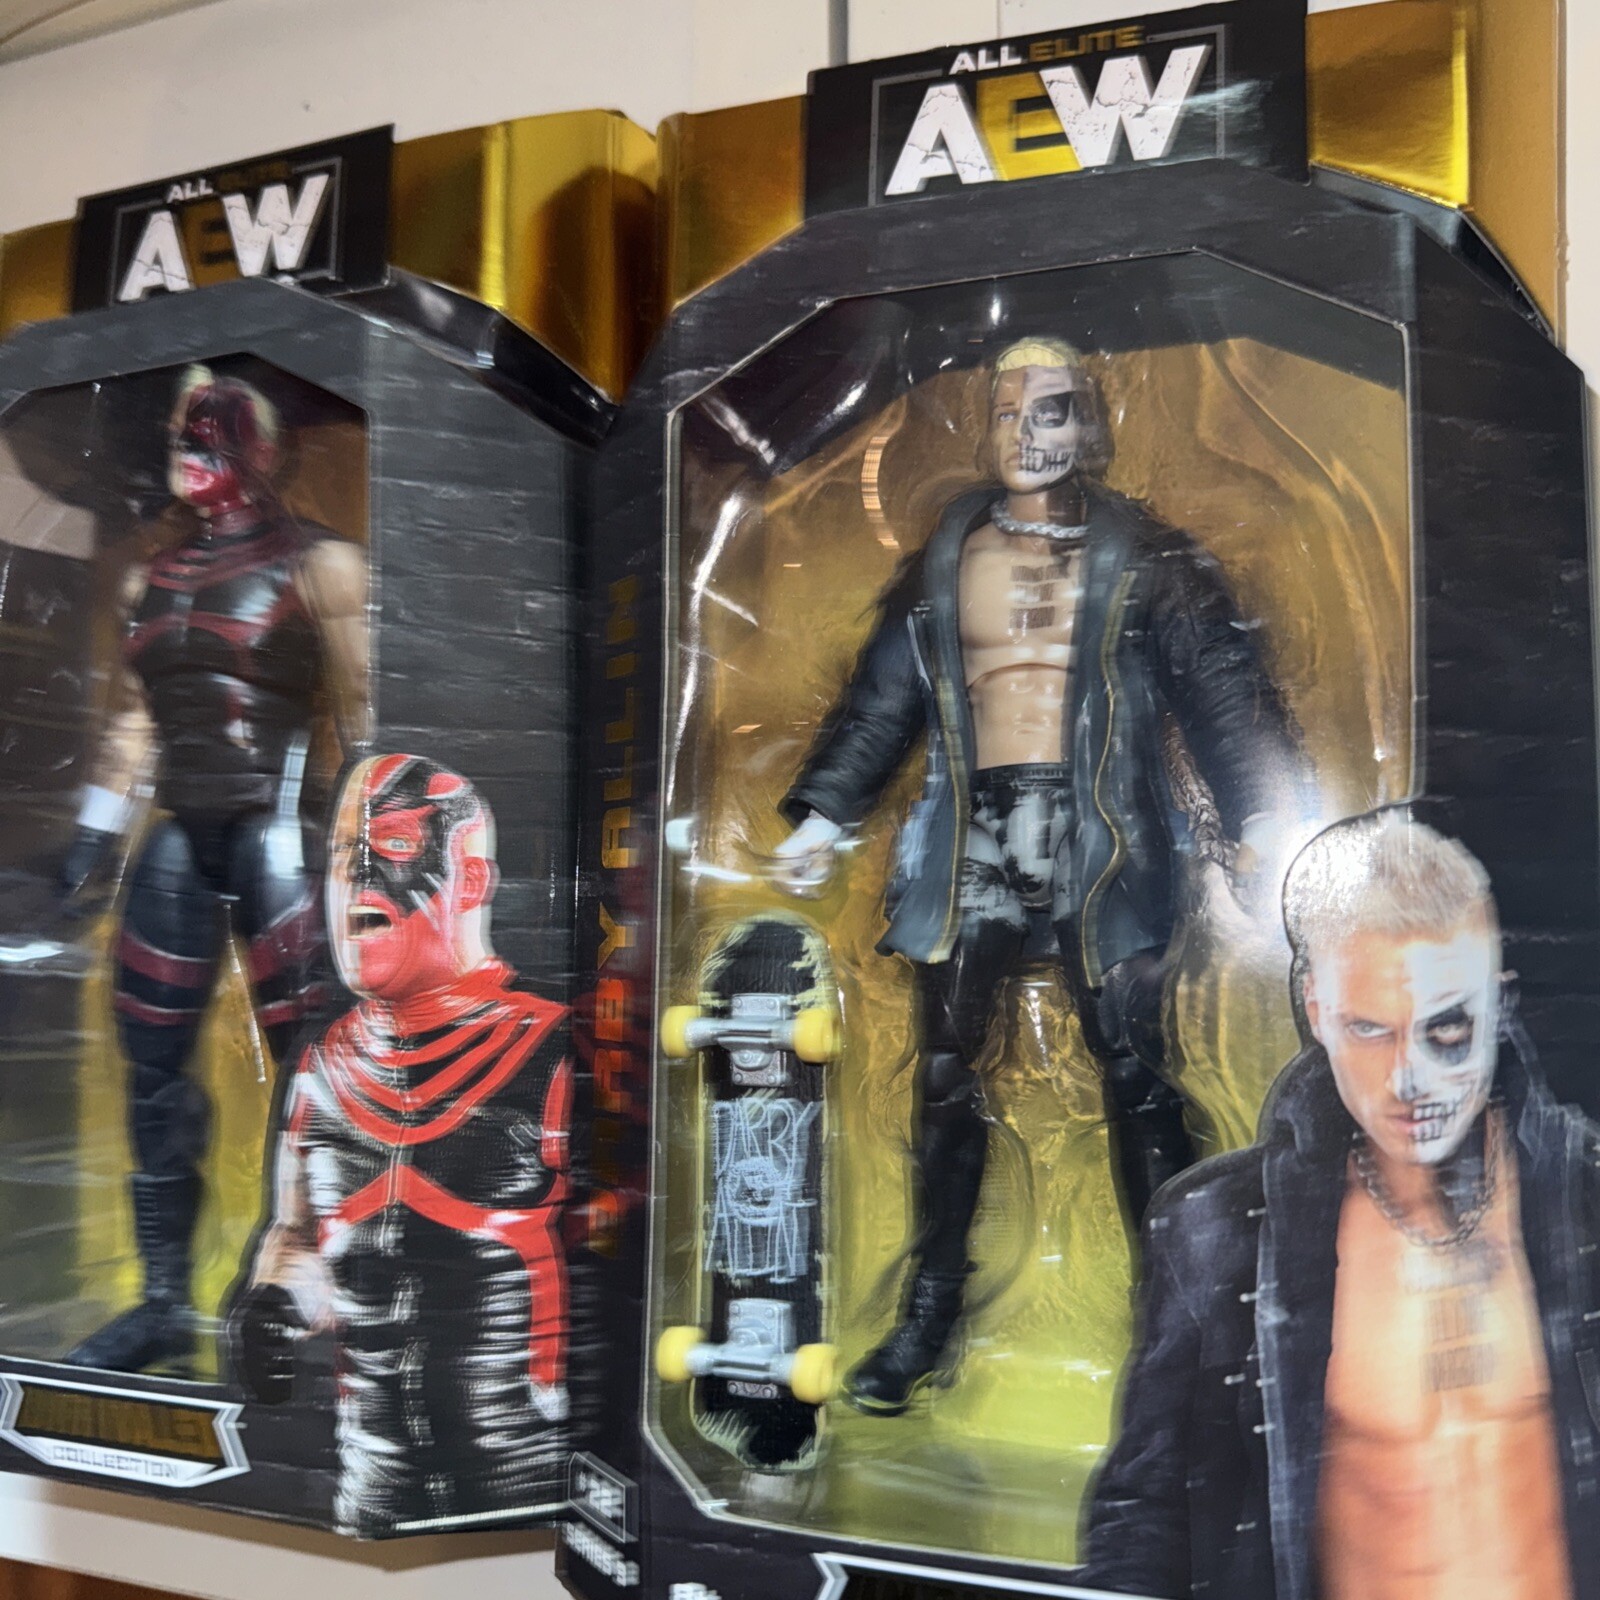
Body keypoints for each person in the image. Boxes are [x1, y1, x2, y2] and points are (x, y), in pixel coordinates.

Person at [773, 336, 1302, 1415]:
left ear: (1090, 425)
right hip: (969, 835)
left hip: (1104, 834)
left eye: (1052, 410)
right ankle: (928, 1311)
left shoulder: (1145, 554)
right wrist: (827, 812)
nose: (1027, 432)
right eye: (1010, 412)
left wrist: (1261, 822)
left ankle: (1185, 1317)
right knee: (942, 1073)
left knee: (1138, 1071)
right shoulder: (946, 554)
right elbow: (885, 696)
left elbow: (1220, 685)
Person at [1081, 810, 1600, 1600]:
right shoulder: (1214, 1230)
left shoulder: (1586, 1196)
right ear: (1318, 1012)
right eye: (1370, 1030)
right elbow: (1143, 1519)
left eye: (1447, 1028)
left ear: (1499, 1004)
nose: (1409, 1079)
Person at [61, 366, 368, 1373]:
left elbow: (369, 711)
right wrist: (91, 840)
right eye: (180, 432)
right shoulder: (152, 579)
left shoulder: (324, 565)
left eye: (212, 428)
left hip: (280, 833)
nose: (188, 446)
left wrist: (376, 840)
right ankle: (162, 1302)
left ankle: (309, 1289)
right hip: (180, 839)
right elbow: (136, 724)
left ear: (262, 445)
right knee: (152, 1070)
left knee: (316, 1070)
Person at [230, 753, 570, 1534]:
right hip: (374, 1489)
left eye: (393, 845)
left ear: (471, 881)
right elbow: (301, 1240)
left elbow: (638, 1258)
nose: (356, 874)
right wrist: (276, 1306)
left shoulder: (555, 1053)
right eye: (340, 855)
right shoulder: (321, 1073)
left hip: (526, 1486)